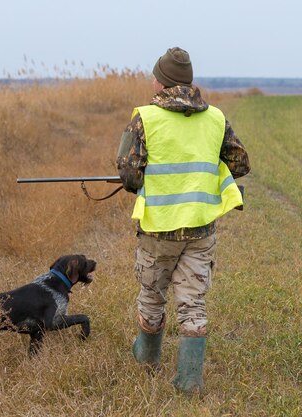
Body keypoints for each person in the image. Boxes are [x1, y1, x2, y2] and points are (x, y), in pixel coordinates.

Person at [116, 47, 250, 395]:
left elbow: (129, 176)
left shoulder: (144, 117)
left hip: (158, 229)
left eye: (155, 76)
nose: (152, 81)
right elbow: (240, 163)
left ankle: (146, 359)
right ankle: (189, 380)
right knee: (193, 303)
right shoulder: (216, 118)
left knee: (152, 294)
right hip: (200, 230)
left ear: (162, 81)